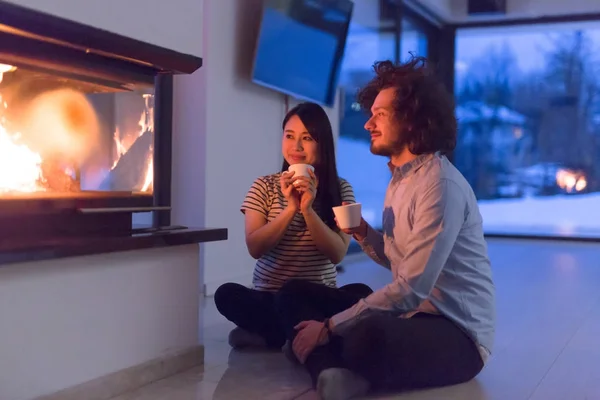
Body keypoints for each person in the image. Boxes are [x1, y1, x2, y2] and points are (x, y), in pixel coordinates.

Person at [275, 57, 496, 399]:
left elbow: (410, 288)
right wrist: (363, 233)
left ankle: (326, 359)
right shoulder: (399, 178)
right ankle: (336, 369)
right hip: (410, 315)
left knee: (366, 332)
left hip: (456, 334)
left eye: (379, 115)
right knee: (294, 292)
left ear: (411, 120)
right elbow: (399, 259)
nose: (368, 125)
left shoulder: (440, 185)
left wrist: (331, 327)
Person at [214, 102, 373, 351]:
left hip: (315, 296)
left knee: (362, 292)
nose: (296, 147)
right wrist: (290, 209)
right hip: (270, 296)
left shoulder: (341, 189)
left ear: (323, 144)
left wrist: (308, 210)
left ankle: (273, 336)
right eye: (289, 136)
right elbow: (255, 247)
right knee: (226, 294)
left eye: (307, 138)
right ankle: (306, 333)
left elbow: (338, 253)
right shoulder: (263, 186)